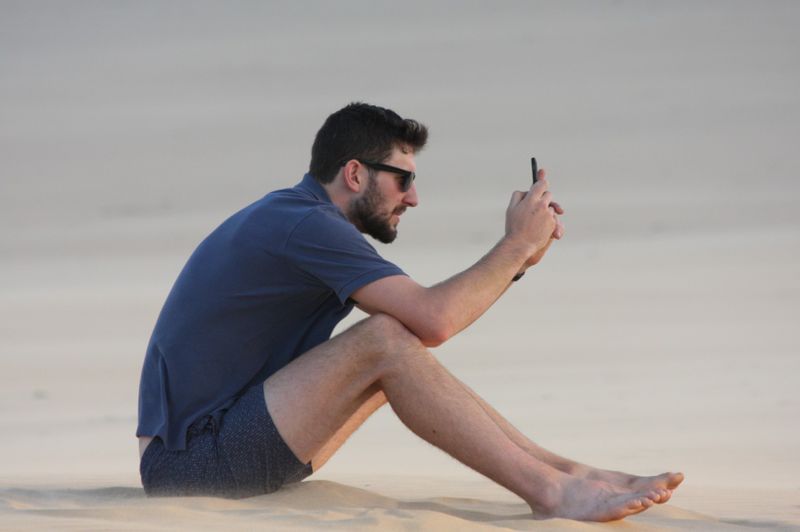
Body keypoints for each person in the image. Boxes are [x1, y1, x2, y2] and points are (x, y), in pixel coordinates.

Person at [136, 102, 683, 521]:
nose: (414, 198)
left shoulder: (304, 220)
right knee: (385, 340)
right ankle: (552, 491)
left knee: (390, 341)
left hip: (227, 441)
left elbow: (427, 320)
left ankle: (571, 474)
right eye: (403, 179)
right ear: (355, 174)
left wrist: (518, 261)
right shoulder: (306, 225)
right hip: (192, 462)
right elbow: (435, 319)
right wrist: (514, 247)